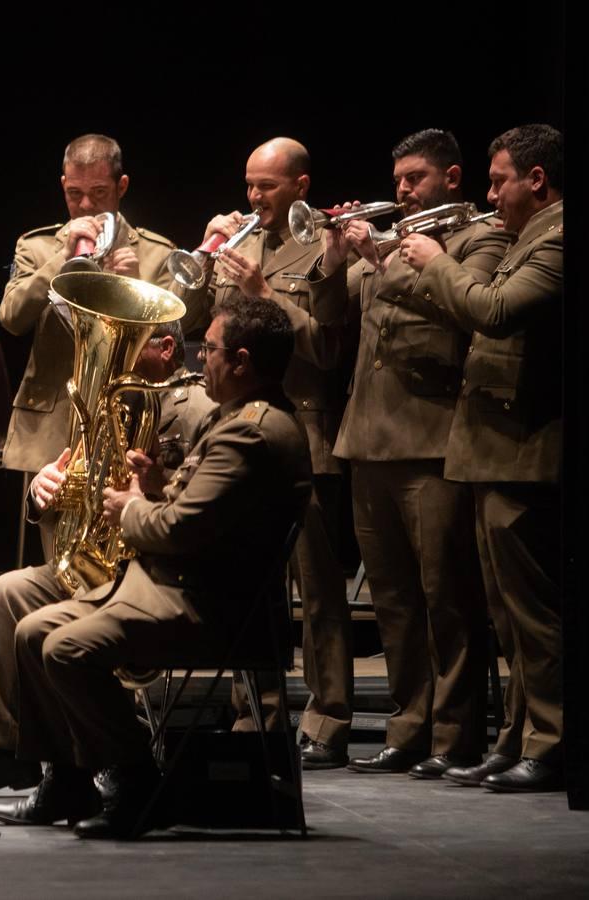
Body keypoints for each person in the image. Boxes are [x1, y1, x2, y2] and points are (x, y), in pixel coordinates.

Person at [0, 293, 312, 838]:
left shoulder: (249, 431)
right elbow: (198, 512)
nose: (198, 357)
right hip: (173, 586)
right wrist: (156, 487)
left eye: (208, 349)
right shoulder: (239, 422)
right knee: (32, 628)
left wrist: (130, 506)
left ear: (241, 360)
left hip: (209, 605)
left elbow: (179, 531)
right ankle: (68, 779)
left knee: (65, 648)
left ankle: (138, 781)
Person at [307, 129, 512, 778]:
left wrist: (381, 262)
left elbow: (466, 312)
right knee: (391, 601)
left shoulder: (477, 238)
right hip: (367, 438)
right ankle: (407, 728)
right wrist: (335, 256)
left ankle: (454, 736)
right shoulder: (390, 244)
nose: (401, 190)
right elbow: (329, 322)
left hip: (431, 441)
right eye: (397, 179)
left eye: (415, 178)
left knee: (445, 597)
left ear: (452, 179)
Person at [0, 321, 213, 796]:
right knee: (7, 591)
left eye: (131, 342)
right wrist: (42, 492)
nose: (116, 356)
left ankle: (87, 761)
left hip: (152, 572)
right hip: (101, 563)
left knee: (49, 623)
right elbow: (77, 485)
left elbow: (199, 508)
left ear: (165, 347)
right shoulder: (109, 403)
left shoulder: (199, 408)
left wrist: (147, 491)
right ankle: (10, 751)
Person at [175, 137, 353, 763]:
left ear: (300, 186)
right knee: (249, 580)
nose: (252, 198)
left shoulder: (324, 245)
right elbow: (189, 321)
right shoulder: (240, 242)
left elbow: (328, 349)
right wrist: (204, 254)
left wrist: (264, 294)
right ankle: (260, 713)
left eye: (266, 187)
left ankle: (328, 721)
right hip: (236, 431)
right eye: (248, 185)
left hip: (305, 433)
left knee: (319, 590)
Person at [399, 124, 564, 792]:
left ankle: (552, 742)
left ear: (536, 179)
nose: (489, 193)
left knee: (532, 613)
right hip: (492, 448)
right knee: (504, 613)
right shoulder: (529, 237)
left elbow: (491, 310)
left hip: (521, 450)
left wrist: (434, 261)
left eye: (497, 181)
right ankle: (517, 735)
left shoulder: (556, 240)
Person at [0, 134, 177, 477]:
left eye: (98, 193)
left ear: (121, 186)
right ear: (63, 184)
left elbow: (171, 345)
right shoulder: (37, 248)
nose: (85, 206)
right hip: (51, 431)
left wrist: (137, 286)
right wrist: (61, 261)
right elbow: (11, 318)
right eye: (74, 194)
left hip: (126, 426)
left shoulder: (157, 253)